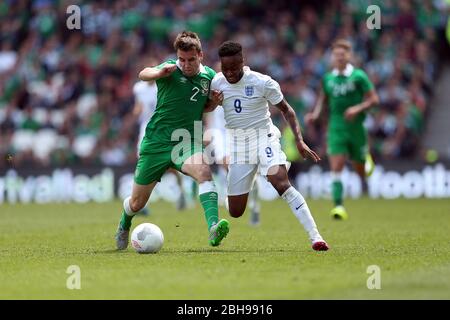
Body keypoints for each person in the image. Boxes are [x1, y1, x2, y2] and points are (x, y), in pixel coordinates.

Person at [209, 41, 329, 251]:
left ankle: (315, 237)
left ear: (243, 62)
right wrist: (213, 102)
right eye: (225, 68)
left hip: (264, 139)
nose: (229, 73)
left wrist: (299, 140)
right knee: (235, 211)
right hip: (238, 146)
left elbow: (287, 110)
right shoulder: (216, 83)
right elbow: (207, 108)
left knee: (280, 182)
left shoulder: (262, 82)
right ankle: (246, 185)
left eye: (233, 68)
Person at [115, 31, 229, 249]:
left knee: (204, 173)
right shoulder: (169, 68)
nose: (185, 65)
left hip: (186, 141)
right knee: (137, 203)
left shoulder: (209, 78)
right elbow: (143, 74)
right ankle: (124, 222)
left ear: (201, 55)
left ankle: (214, 227)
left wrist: (214, 103)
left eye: (191, 60)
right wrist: (159, 71)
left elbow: (205, 107)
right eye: (182, 60)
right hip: (156, 141)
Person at [305, 39, 379, 220]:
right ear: (332, 57)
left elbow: (374, 100)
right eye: (336, 54)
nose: (339, 57)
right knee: (336, 165)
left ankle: (364, 159)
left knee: (360, 169)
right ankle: (338, 206)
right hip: (336, 126)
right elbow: (323, 99)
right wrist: (315, 115)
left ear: (349, 56)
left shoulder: (359, 76)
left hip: (356, 128)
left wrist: (357, 108)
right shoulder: (328, 79)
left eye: (342, 54)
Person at [132, 76, 187, 212]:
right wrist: (136, 112)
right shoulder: (139, 88)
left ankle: (182, 193)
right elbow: (138, 106)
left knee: (171, 166)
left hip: (162, 128)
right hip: (146, 128)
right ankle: (141, 203)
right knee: (143, 160)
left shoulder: (162, 86)